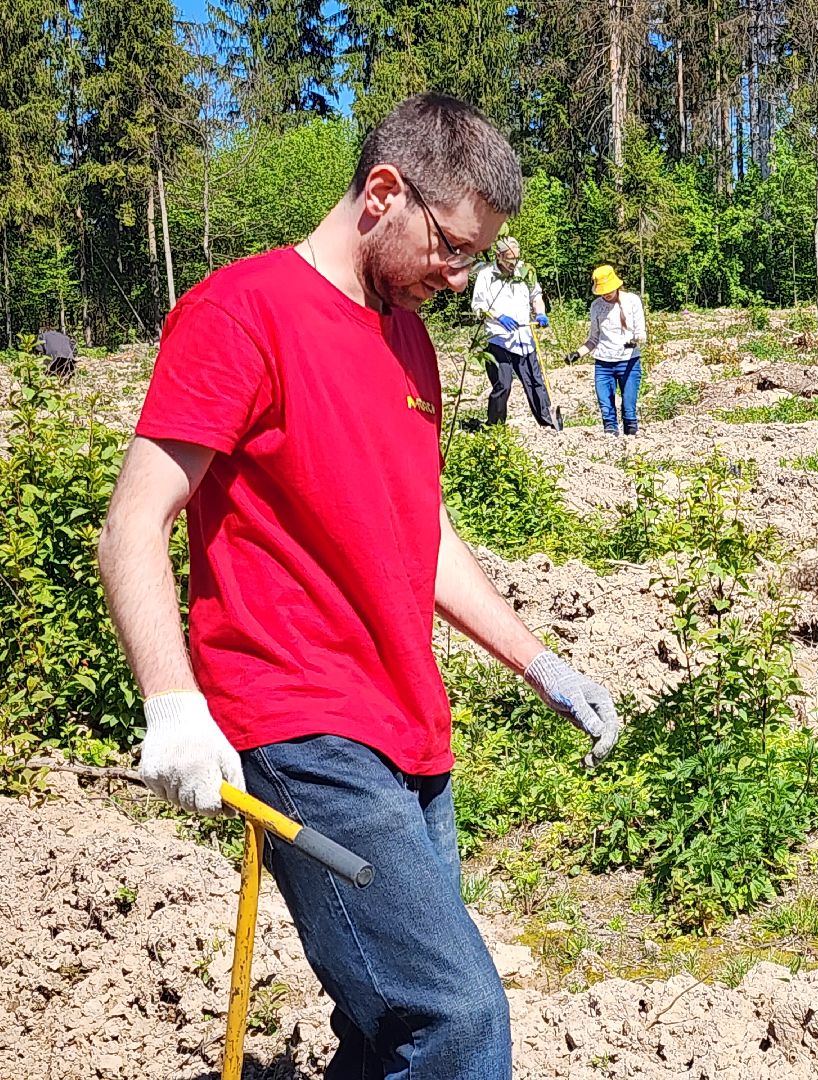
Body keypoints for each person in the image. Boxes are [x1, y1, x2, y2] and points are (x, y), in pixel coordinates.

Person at [97, 92, 621, 1080]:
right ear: (384, 193)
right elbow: (133, 524)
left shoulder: (406, 339)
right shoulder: (241, 310)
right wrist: (172, 704)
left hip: (410, 731)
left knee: (388, 1031)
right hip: (302, 727)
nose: (460, 276)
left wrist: (542, 663)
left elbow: (418, 535)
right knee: (456, 1016)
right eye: (453, 248)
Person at [470, 235, 560, 429]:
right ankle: (495, 427)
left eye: (516, 259)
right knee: (503, 384)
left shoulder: (524, 272)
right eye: (509, 259)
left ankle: (548, 424)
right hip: (498, 339)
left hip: (525, 339)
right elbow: (478, 306)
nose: (513, 263)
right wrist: (498, 317)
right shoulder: (486, 275)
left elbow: (536, 296)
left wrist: (541, 313)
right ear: (498, 256)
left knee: (536, 382)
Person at [565, 265, 646, 436]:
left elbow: (641, 333)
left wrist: (634, 341)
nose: (606, 294)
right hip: (603, 364)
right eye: (602, 291)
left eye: (609, 290)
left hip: (629, 361)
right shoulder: (596, 306)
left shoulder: (632, 301)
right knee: (606, 406)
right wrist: (577, 353)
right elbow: (593, 338)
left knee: (629, 407)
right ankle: (610, 438)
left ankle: (631, 438)